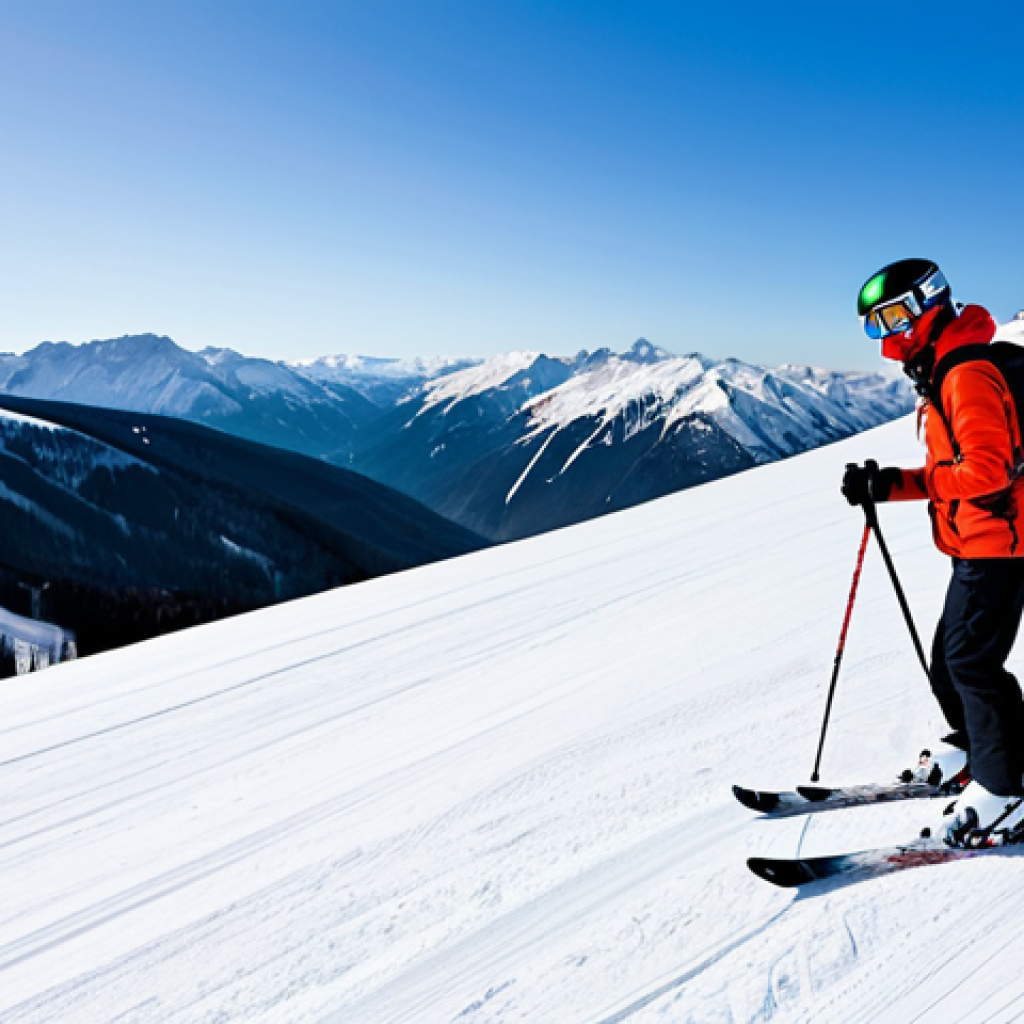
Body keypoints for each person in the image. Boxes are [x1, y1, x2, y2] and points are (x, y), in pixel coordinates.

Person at [842, 258, 1024, 847]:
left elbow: (988, 472)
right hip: (977, 540)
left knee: (970, 662)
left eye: (893, 317)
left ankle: (1005, 789)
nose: (887, 336)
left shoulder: (964, 374)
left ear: (929, 304)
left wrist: (930, 482)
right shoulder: (945, 368)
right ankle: (982, 750)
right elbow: (958, 470)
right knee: (951, 659)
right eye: (876, 324)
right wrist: (888, 483)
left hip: (1000, 543)